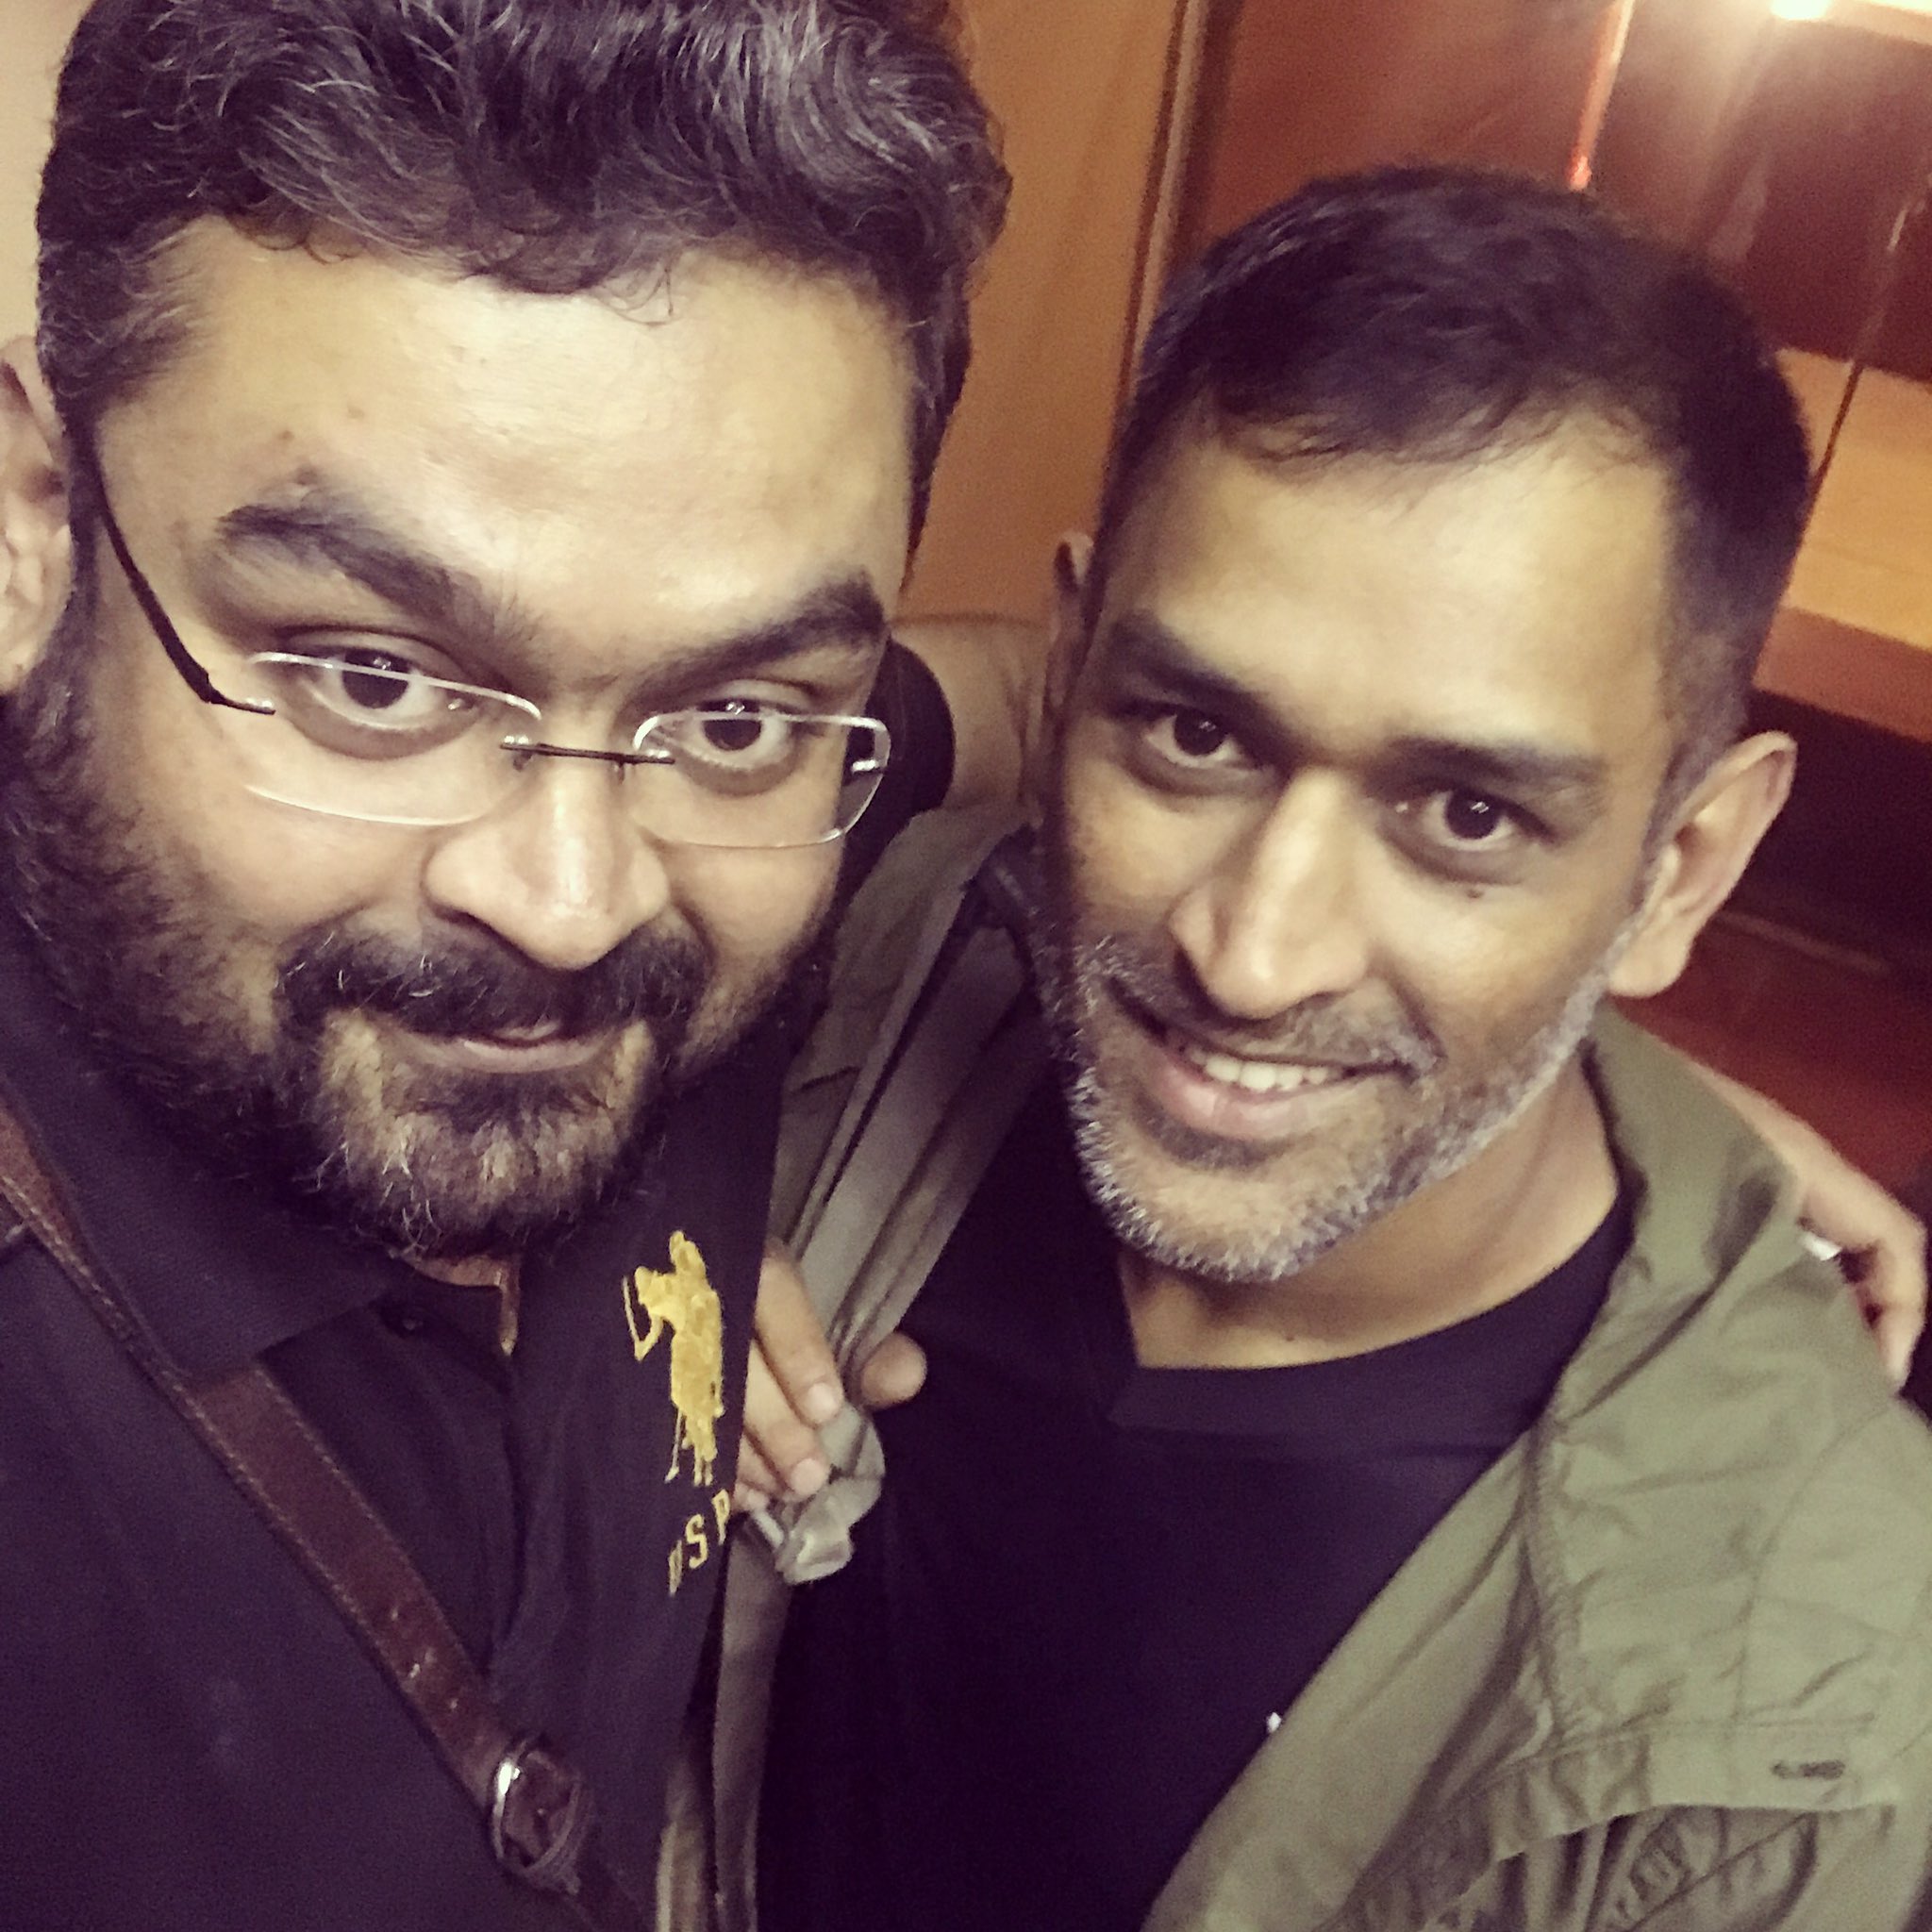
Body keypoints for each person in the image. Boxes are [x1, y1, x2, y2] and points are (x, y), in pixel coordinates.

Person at [732, 169, 1932, 1931]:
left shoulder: (1795, 1739)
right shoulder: (813, 977)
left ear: (1680, 870)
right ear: (1067, 678)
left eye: (1466, 815)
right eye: (1194, 734)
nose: (1252, 955)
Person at [0, 1, 1008, 1924]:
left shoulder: (758, 828)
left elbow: (1041, 693)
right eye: (376, 681)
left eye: (730, 715)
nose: (572, 905)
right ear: (36, 518)